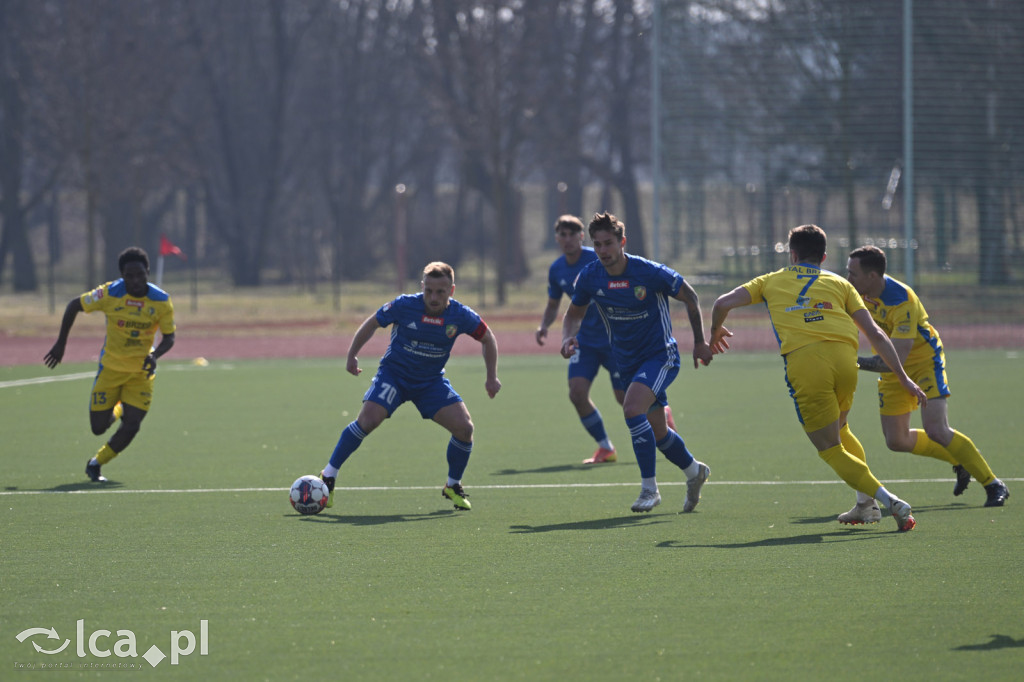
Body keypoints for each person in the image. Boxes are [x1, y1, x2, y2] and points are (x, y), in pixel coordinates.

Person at [709, 225, 926, 532]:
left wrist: (715, 331)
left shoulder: (770, 280)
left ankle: (892, 502)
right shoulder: (842, 284)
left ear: (792, 254)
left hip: (808, 362)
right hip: (846, 361)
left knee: (829, 448)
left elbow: (721, 304)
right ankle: (865, 506)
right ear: (823, 257)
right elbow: (876, 333)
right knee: (841, 428)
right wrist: (903, 378)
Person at [560, 212, 713, 513]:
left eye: (608, 243)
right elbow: (573, 314)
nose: (603, 250)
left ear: (622, 242)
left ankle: (649, 490)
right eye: (598, 244)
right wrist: (567, 338)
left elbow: (690, 297)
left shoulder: (649, 272)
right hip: (626, 360)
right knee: (659, 434)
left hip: (661, 356)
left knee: (631, 409)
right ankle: (695, 472)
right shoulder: (591, 276)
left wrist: (699, 342)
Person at [318, 261, 501, 511]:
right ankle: (329, 475)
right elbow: (372, 322)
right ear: (422, 287)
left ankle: (453, 485)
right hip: (394, 375)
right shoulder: (405, 305)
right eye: (429, 291)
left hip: (430, 382)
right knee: (368, 420)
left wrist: (491, 376)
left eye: (441, 292)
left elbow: (488, 338)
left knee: (464, 428)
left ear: (452, 291)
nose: (434, 297)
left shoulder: (461, 315)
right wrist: (352, 355)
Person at [846, 245, 1009, 511]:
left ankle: (993, 483)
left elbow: (895, 358)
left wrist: (851, 362)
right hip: (891, 366)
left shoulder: (901, 299)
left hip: (921, 363)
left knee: (936, 429)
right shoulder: (856, 293)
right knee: (896, 441)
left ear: (872, 276)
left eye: (852, 273)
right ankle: (958, 460)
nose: (848, 279)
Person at [536, 215, 678, 464]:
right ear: (557, 238)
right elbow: (555, 305)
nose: (567, 240)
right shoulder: (557, 268)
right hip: (585, 342)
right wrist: (545, 326)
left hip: (616, 343)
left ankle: (662, 412)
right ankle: (605, 447)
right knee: (576, 393)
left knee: (625, 399)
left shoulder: (598, 258)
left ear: (582, 237)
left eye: (572, 234)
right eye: (562, 235)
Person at [44, 246, 176, 482]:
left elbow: (170, 337)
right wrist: (61, 344)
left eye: (140, 274)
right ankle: (121, 407)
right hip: (111, 370)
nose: (135, 280)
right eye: (129, 275)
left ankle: (96, 464)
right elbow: (74, 305)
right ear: (122, 275)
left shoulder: (161, 301)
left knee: (132, 426)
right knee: (98, 427)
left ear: (148, 271)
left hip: (140, 373)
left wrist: (154, 355)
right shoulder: (109, 294)